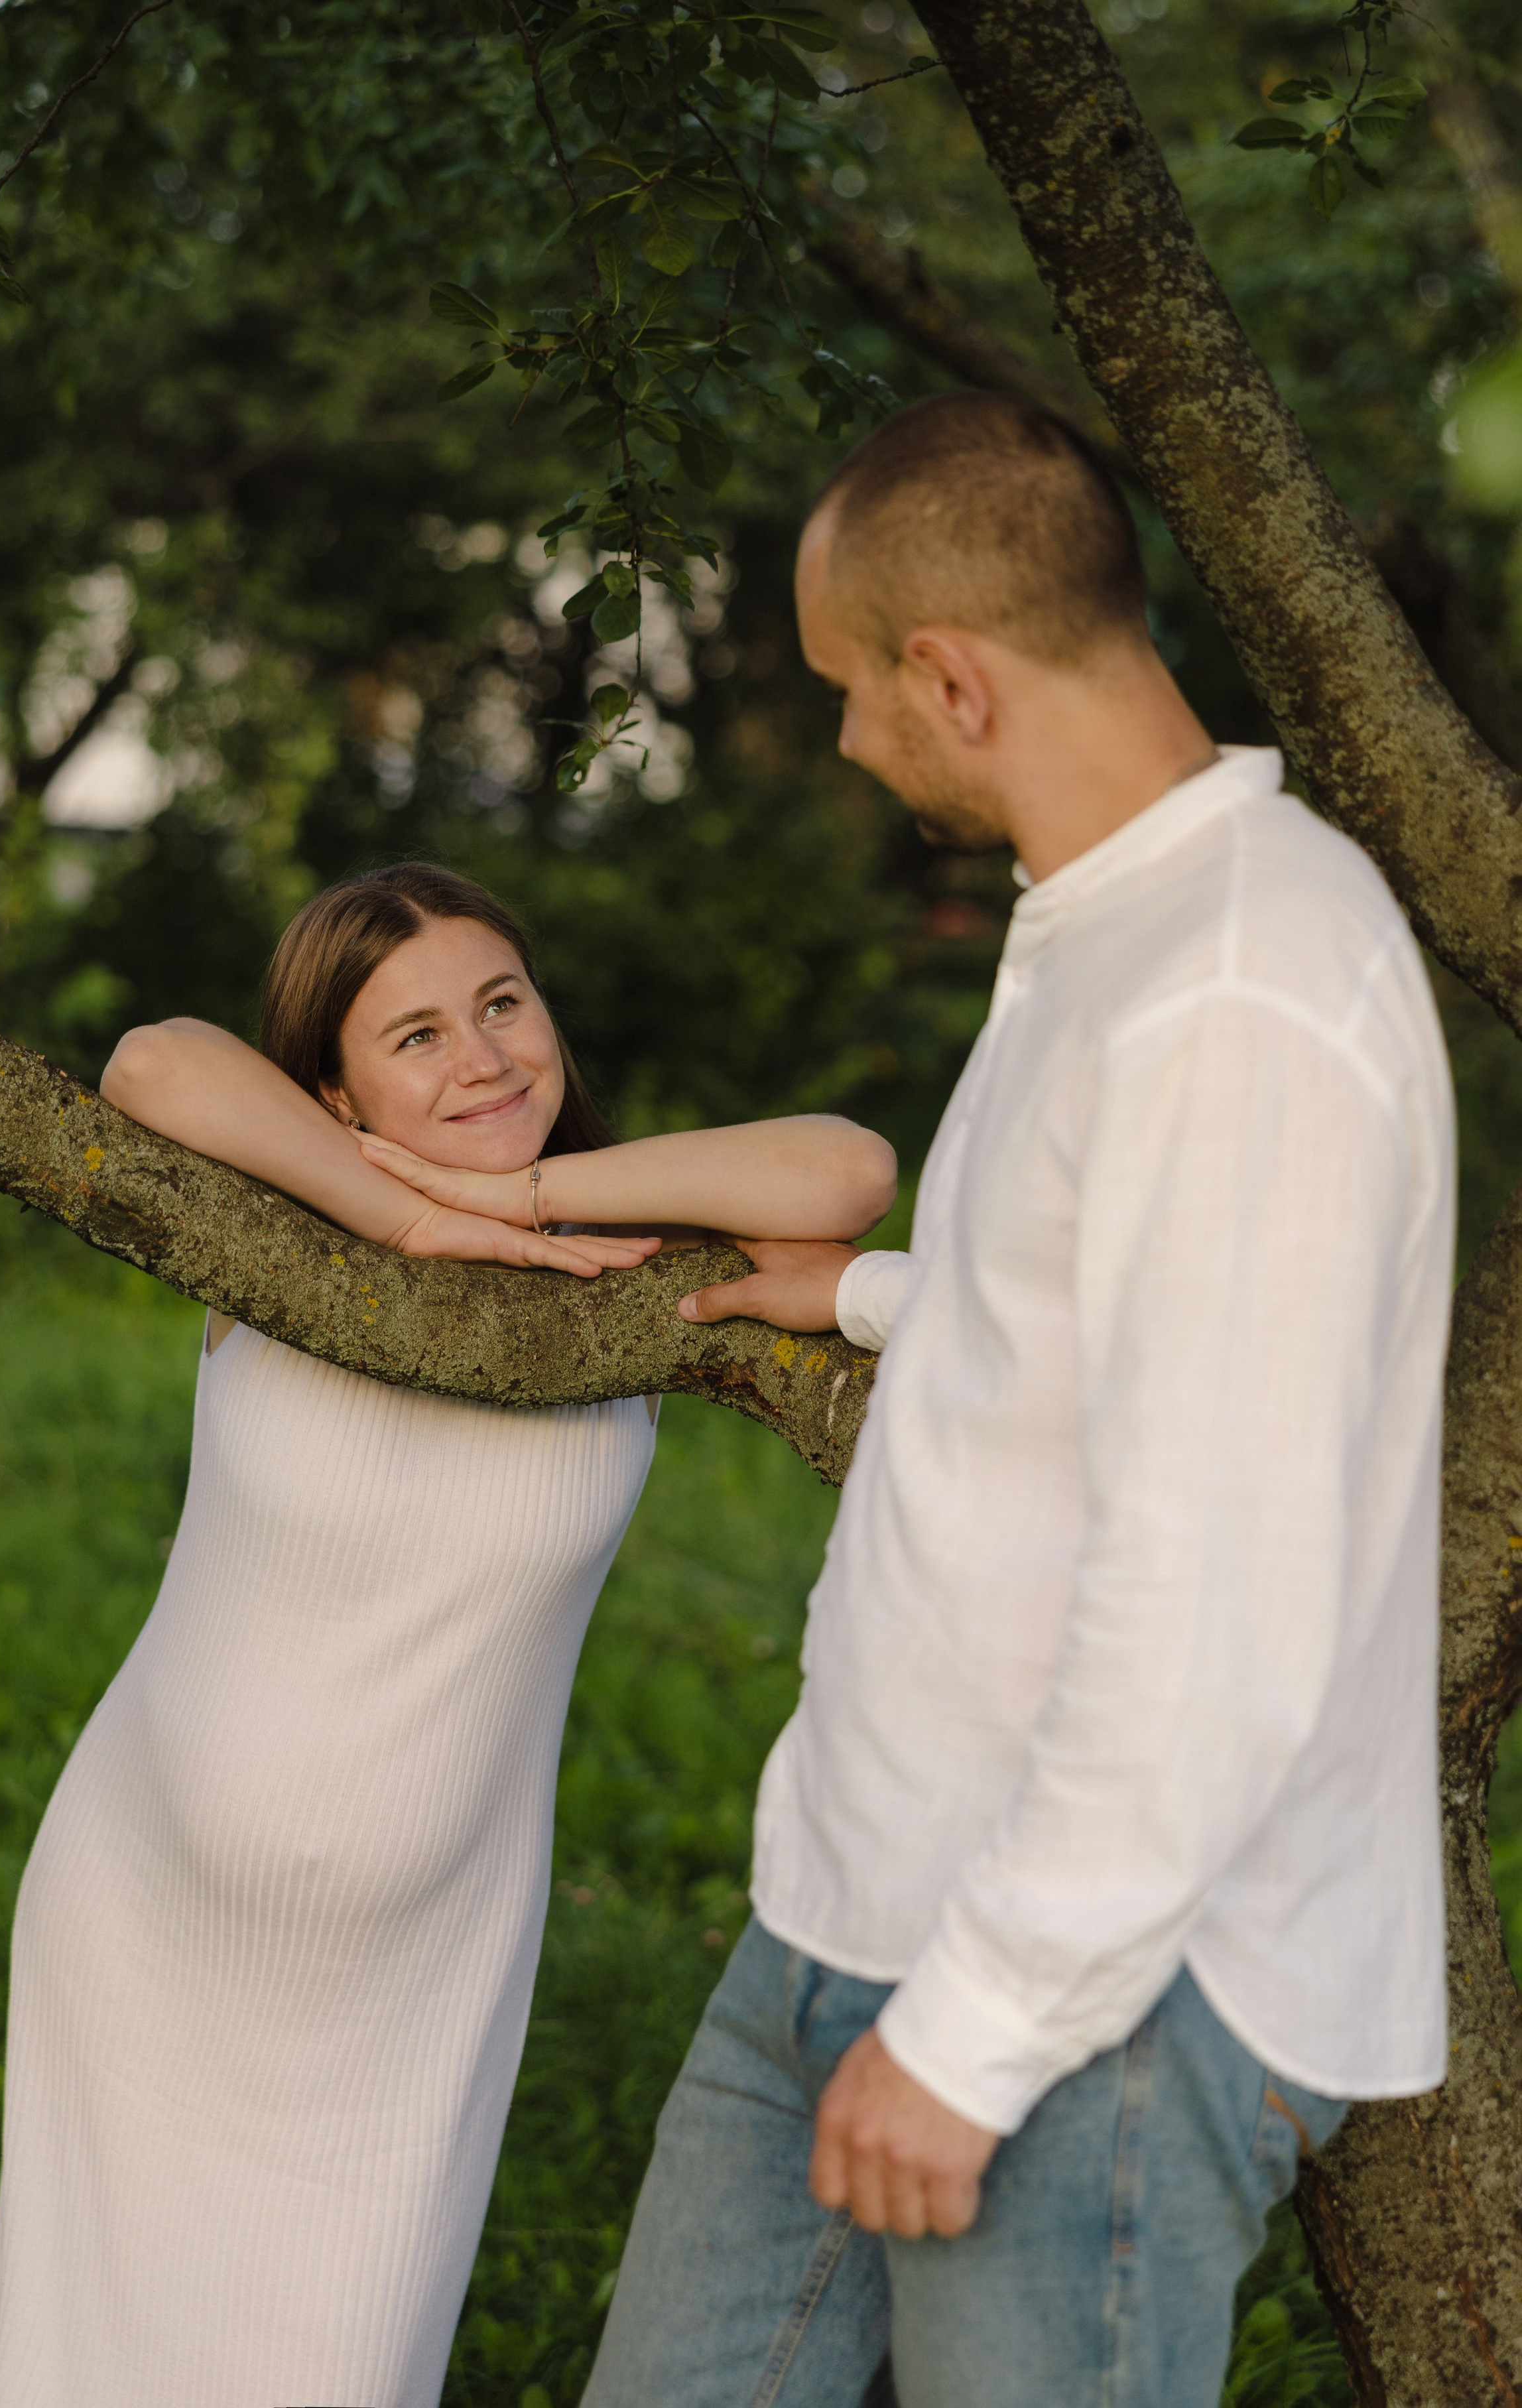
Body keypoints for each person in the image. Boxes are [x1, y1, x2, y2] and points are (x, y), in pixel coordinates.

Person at [560, 393, 1454, 2408]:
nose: (845, 740)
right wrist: (888, 1293)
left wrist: (970, 2040)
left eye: (849, 692)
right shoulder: (1114, 926)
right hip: (852, 1906)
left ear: (951, 679)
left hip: (1092, 2007)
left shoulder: (1242, 986)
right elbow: (1123, 1321)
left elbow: (1215, 1606)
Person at [0, 861, 895, 2408]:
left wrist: (517, 1201)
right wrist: (400, 1206)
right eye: (416, 1036)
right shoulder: (275, 1243)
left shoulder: (636, 1270)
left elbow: (845, 1171)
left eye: (501, 1003)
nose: (482, 1058)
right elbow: (149, 1065)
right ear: (335, 1090)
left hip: (411, 1995)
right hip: (141, 1931)